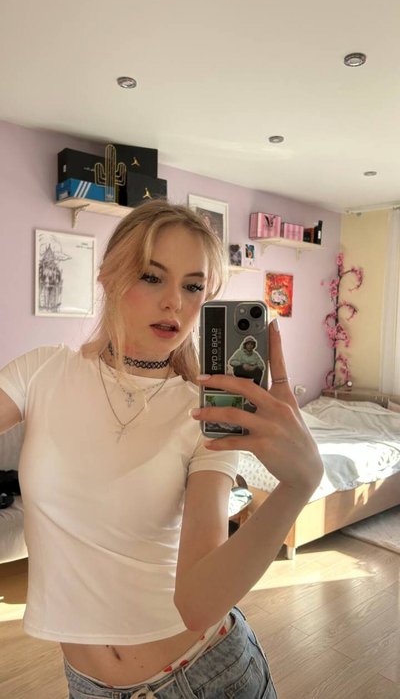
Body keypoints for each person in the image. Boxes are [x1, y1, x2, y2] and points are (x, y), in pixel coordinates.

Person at [0, 200, 323, 699]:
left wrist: (298, 486)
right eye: (152, 277)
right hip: (87, 686)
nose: (174, 301)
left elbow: (198, 605)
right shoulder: (41, 372)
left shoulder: (205, 412)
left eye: (193, 286)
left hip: (207, 676)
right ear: (108, 276)